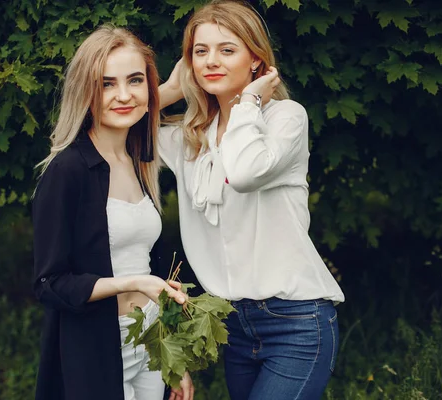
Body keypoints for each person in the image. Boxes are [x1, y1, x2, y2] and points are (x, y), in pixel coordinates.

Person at [158, 1, 345, 399]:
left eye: (228, 50)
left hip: (296, 321)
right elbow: (106, 122)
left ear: (257, 62)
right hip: (232, 326)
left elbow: (243, 173)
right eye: (200, 51)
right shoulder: (189, 138)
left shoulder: (285, 119)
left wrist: (249, 103)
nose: (212, 61)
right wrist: (172, 89)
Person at [32, 25, 193, 400]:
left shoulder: (137, 159)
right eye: (106, 84)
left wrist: (174, 360)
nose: (123, 95)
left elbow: (149, 267)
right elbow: (49, 284)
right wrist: (131, 283)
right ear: (85, 91)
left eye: (135, 80)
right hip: (99, 346)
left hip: (149, 340)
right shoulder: (68, 170)